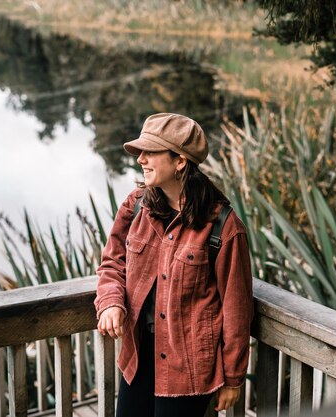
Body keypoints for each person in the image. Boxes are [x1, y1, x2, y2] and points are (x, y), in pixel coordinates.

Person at [94, 113, 253, 417]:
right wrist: (111, 302)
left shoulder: (223, 227)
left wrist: (233, 379)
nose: (140, 159)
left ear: (180, 161)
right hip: (139, 356)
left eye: (150, 151)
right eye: (141, 152)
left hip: (188, 368)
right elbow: (112, 263)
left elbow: (236, 310)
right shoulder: (136, 205)